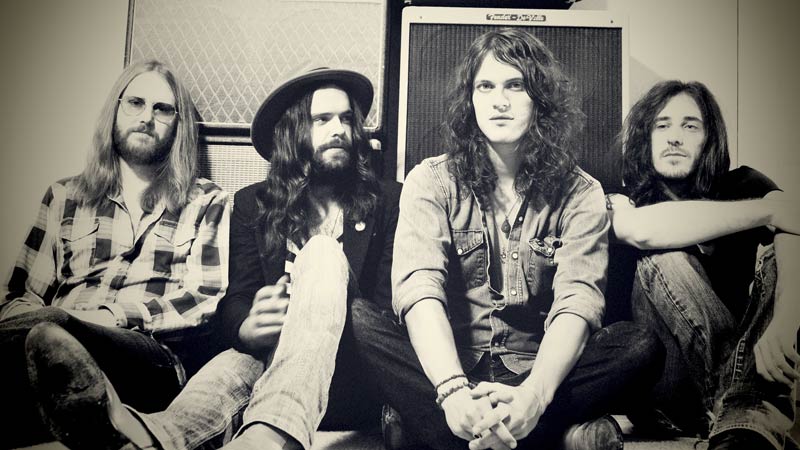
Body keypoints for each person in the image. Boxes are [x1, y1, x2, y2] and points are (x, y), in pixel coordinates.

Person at [33, 67, 401, 450]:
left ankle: (274, 435)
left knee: (322, 252)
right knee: (232, 363)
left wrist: (310, 313)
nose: (339, 129)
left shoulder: (389, 201)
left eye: (346, 119)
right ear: (292, 130)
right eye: (322, 119)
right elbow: (234, 300)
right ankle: (150, 437)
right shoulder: (253, 204)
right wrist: (248, 326)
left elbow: (385, 314)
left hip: (347, 369)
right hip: (268, 359)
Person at [350, 28, 665, 450]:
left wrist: (533, 396)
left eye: (515, 85)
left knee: (639, 346)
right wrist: (452, 390)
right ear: (470, 99)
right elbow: (419, 291)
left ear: (540, 99)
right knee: (359, 321)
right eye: (486, 86)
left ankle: (443, 430)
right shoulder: (430, 181)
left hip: (535, 373)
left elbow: (577, 304)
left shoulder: (582, 193)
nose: (499, 101)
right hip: (449, 370)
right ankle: (543, 433)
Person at [0, 60, 230, 449]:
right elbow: (19, 298)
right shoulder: (65, 196)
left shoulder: (206, 201)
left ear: (179, 126)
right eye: (135, 103)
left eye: (162, 109)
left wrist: (104, 317)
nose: (147, 118)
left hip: (149, 356)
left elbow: (203, 299)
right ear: (115, 110)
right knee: (45, 336)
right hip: (52, 347)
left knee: (52, 327)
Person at [608, 80, 800, 450]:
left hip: (744, 366)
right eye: (662, 125)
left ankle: (739, 420)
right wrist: (767, 212)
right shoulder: (623, 198)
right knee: (662, 257)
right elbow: (640, 231)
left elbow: (794, 226)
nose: (674, 137)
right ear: (645, 137)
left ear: (709, 139)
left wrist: (786, 319)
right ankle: (746, 410)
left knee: (783, 251)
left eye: (690, 126)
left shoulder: (744, 184)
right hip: (665, 391)